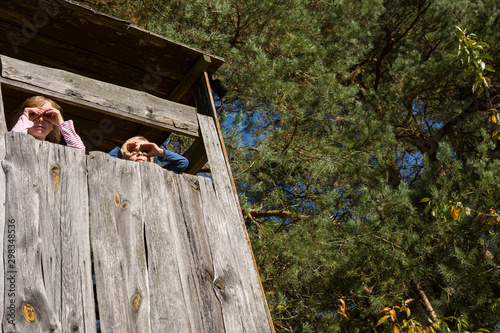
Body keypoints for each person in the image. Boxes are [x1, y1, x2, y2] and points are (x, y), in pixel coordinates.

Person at [11, 96, 85, 150]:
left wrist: (60, 123)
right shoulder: (15, 143)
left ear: (53, 126)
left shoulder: (55, 151)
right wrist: (24, 119)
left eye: (47, 116)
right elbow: (12, 141)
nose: (40, 119)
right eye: (33, 114)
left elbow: (79, 152)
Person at [108, 136, 189, 173]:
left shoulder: (159, 173)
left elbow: (182, 162)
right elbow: (102, 165)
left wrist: (159, 152)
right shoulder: (117, 171)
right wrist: (121, 152)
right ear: (124, 158)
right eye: (133, 151)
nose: (140, 153)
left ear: (152, 159)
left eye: (145, 152)